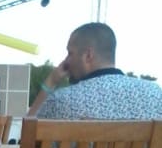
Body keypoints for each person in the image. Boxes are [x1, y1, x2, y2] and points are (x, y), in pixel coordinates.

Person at [29, 22, 162, 119]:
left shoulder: (62, 100)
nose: (66, 60)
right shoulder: (155, 94)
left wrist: (50, 82)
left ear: (88, 56)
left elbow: (27, 136)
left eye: (70, 53)